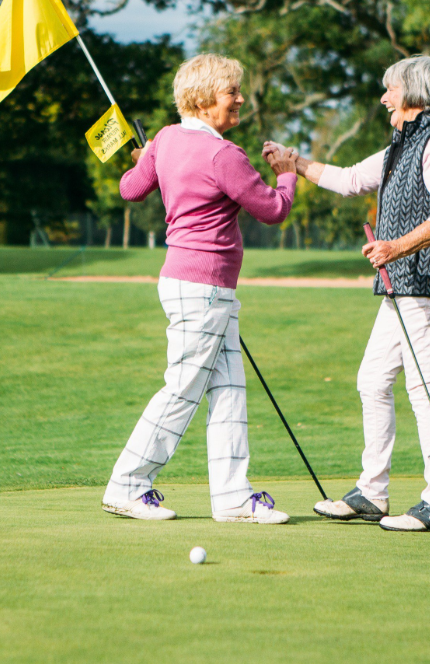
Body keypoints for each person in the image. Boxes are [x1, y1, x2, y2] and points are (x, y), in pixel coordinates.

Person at [263, 55, 430, 533]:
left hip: (427, 287)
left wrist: (396, 245)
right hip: (401, 291)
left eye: (390, 89)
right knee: (372, 380)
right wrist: (295, 163)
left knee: (425, 391)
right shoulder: (403, 146)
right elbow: (351, 179)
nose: (383, 98)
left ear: (415, 94)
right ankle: (372, 494)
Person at [102, 53, 299, 524]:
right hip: (203, 288)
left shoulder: (167, 139)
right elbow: (273, 209)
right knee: (182, 389)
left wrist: (147, 159)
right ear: (207, 97)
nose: (239, 99)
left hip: (191, 284)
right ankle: (127, 483)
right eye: (232, 91)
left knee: (229, 390)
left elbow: (131, 188)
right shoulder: (223, 154)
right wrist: (287, 171)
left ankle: (232, 498)